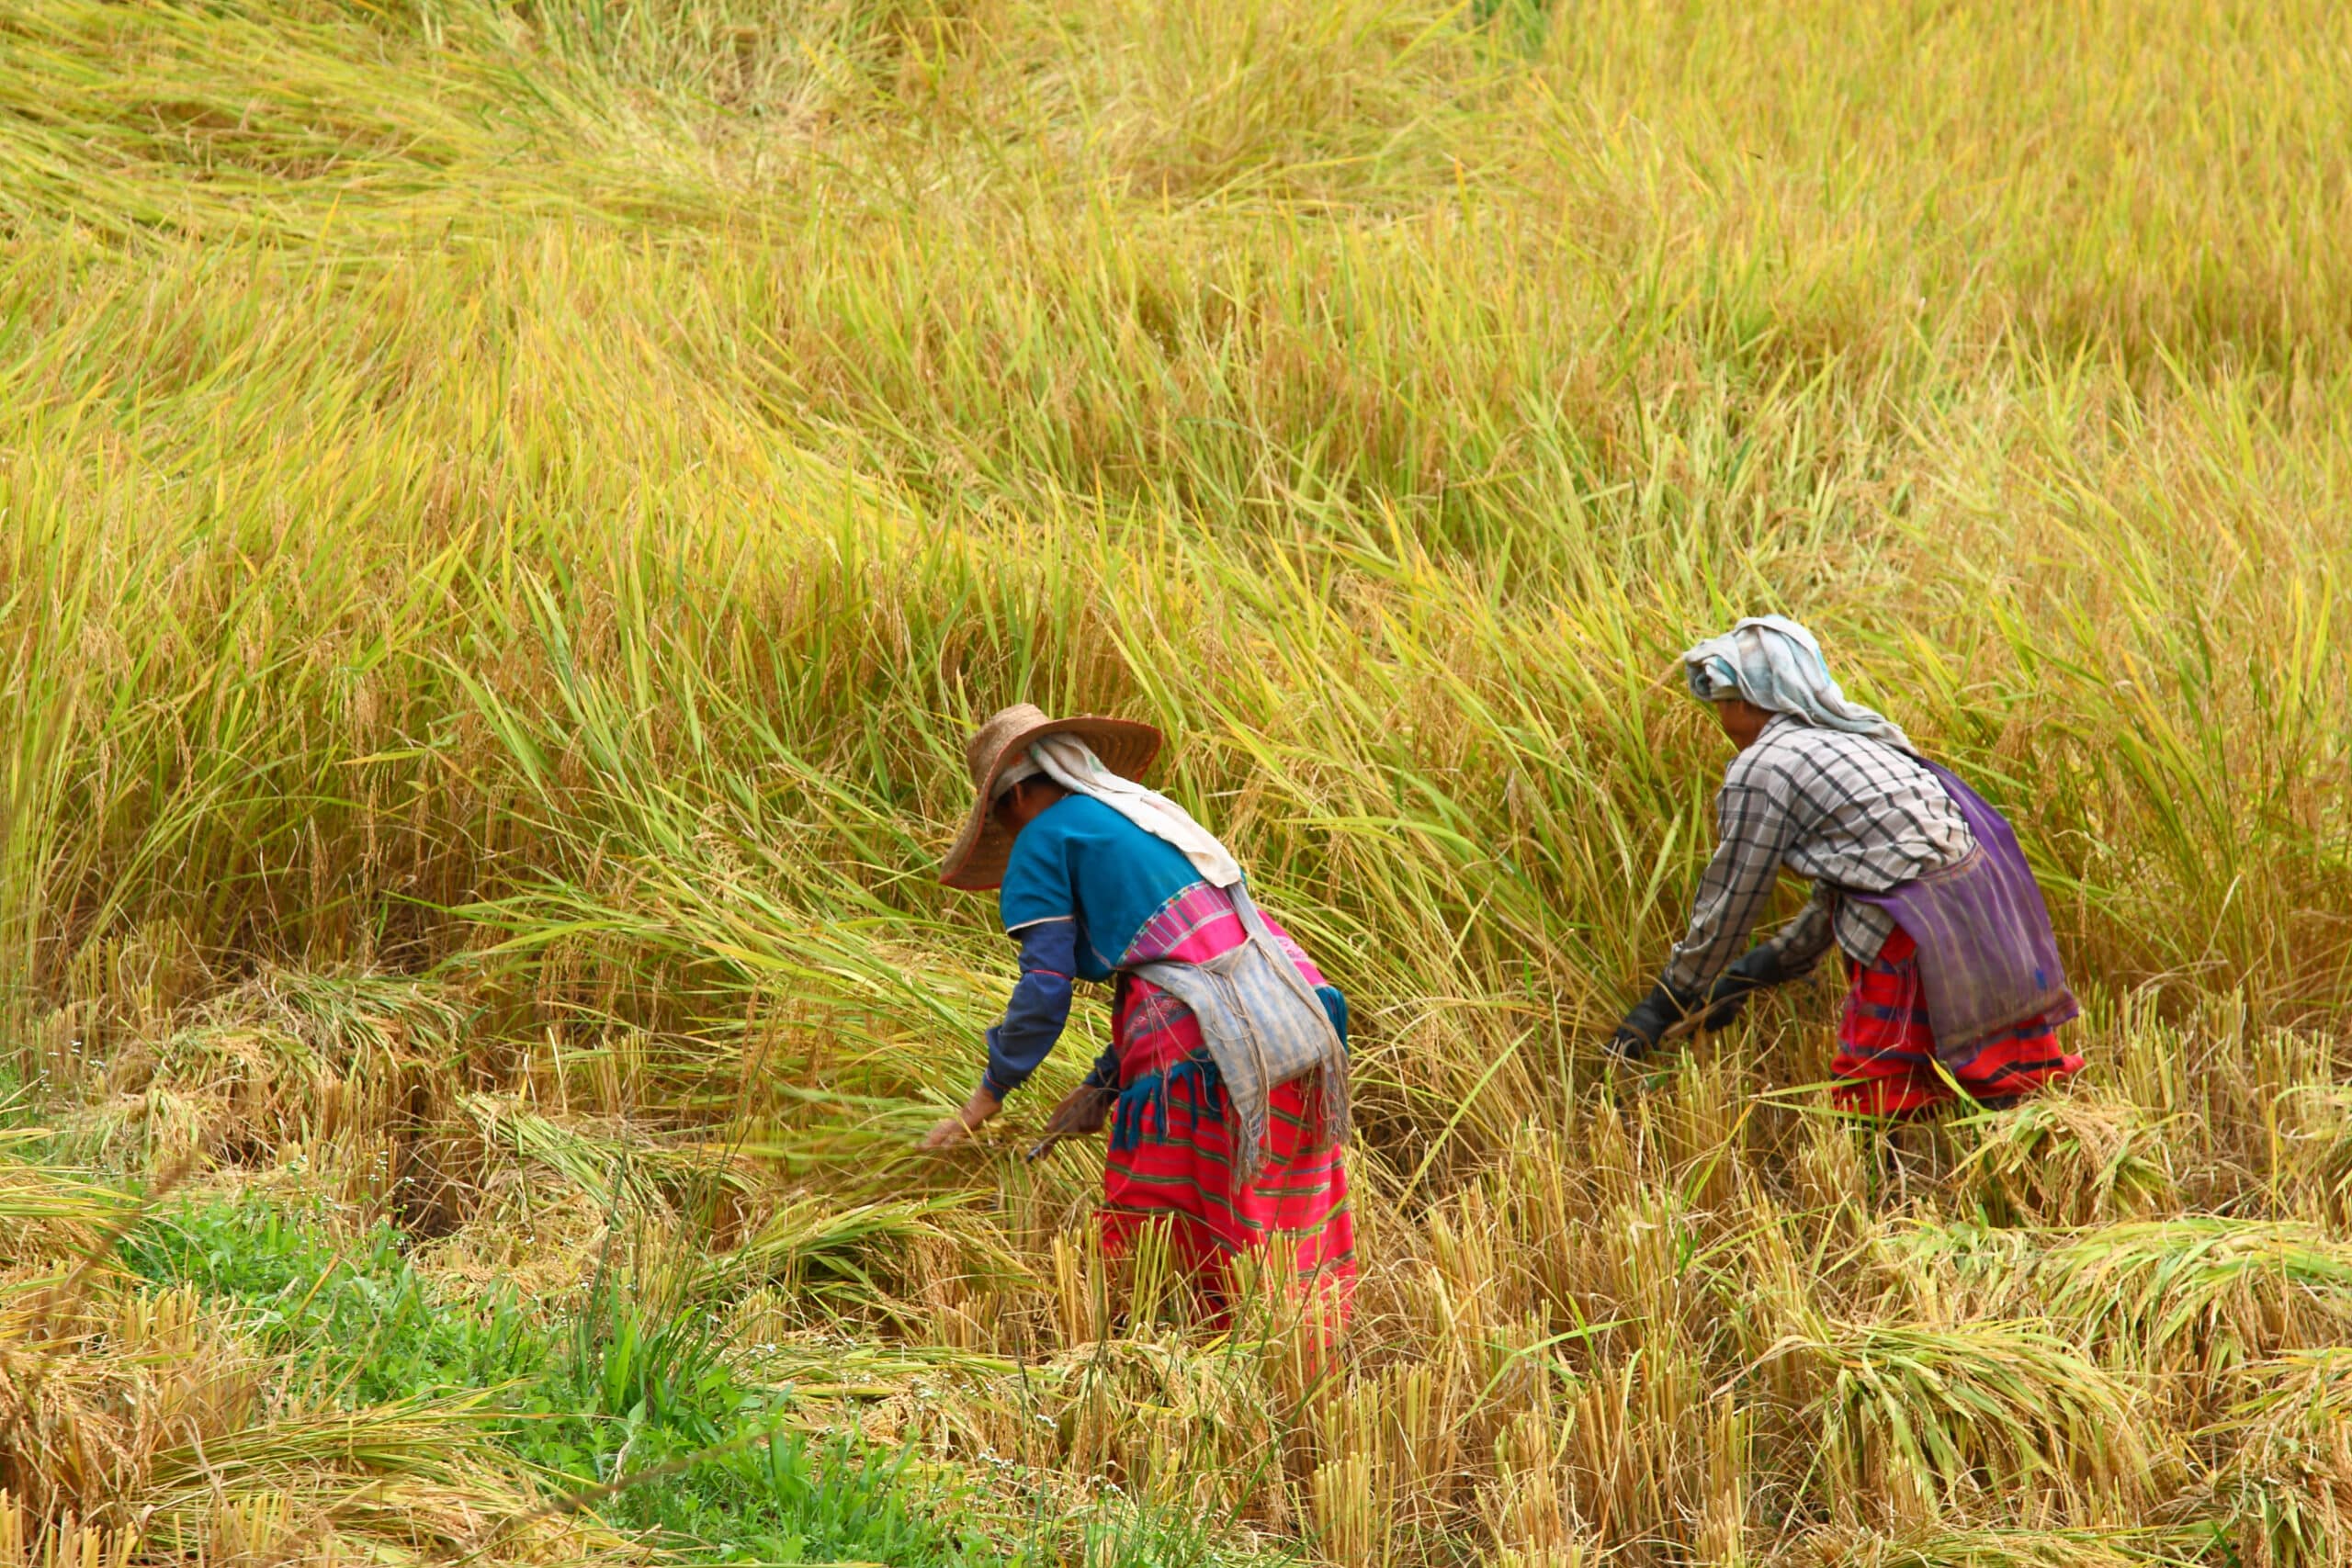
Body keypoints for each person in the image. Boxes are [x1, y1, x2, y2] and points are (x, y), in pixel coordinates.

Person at [923, 704, 1356, 1325]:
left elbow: (1044, 991)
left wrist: (984, 1099)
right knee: (1283, 1221)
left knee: (1157, 1226)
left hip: (1205, 1045)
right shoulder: (1142, 818)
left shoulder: (1043, 838)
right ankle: (1308, 1371)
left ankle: (1163, 1373)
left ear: (1013, 800)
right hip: (1296, 1008)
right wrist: (1103, 1085)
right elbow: (1179, 951)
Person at [1609, 616, 2083, 1116]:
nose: (1723, 722)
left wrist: (1668, 1000)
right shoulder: (1856, 739)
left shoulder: (1764, 766)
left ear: (1749, 701)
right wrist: (1759, 970)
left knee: (1875, 1096)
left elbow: (1731, 901)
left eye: (1724, 705)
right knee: (2002, 1079)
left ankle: (1885, 1190)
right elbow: (1860, 877)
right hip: (1987, 910)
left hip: (1915, 927)